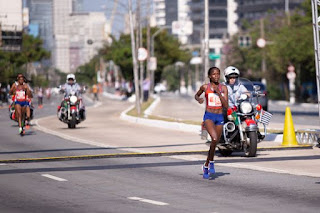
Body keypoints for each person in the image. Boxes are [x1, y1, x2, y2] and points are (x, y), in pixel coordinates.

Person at [194, 67, 228, 179]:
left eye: (218, 74)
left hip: (219, 116)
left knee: (215, 143)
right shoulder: (205, 87)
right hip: (209, 116)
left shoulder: (223, 88)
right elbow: (196, 95)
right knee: (213, 139)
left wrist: (219, 93)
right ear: (209, 76)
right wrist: (199, 99)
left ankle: (206, 165)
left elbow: (226, 106)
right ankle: (212, 162)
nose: (216, 76)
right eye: (214, 74)